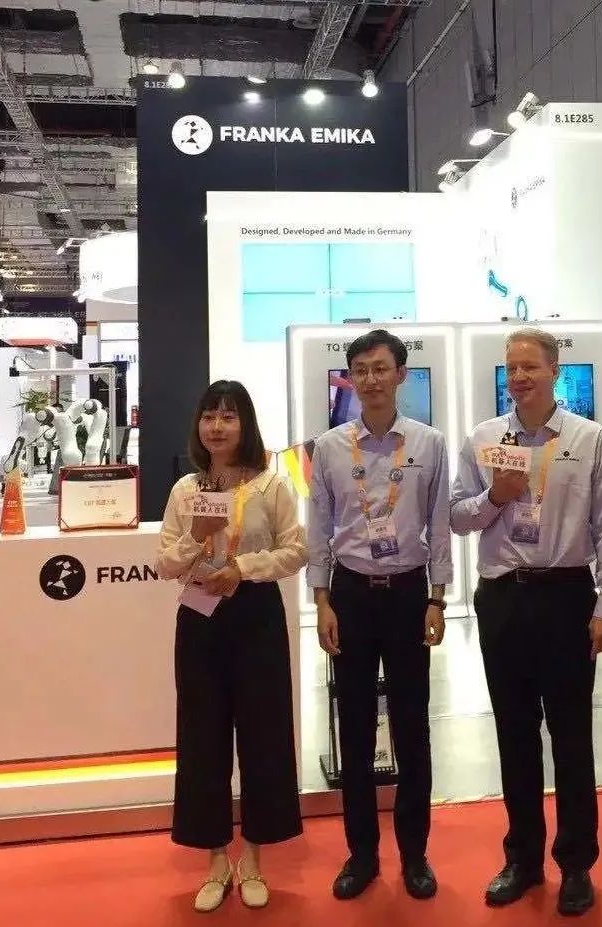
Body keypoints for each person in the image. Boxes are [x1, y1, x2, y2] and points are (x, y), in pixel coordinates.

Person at [450, 328, 602, 917]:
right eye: (512, 368)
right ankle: (523, 859)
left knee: (572, 736)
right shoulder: (484, 439)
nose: (520, 377)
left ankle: (576, 864)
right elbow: (456, 517)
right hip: (503, 598)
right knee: (514, 733)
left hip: (566, 597)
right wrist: (495, 497)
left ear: (555, 370)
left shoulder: (587, 438)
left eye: (530, 366)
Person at [308, 329, 452, 902]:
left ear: (400, 375)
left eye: (380, 368)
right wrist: (321, 600)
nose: (370, 379)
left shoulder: (429, 443)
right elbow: (319, 526)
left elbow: (439, 524)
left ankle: (415, 853)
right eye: (360, 370)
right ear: (350, 378)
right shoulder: (329, 447)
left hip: (408, 594)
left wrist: (438, 597)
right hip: (350, 594)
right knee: (356, 725)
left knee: (413, 726)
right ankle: (362, 854)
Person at [156, 379, 307, 913]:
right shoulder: (185, 490)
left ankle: (255, 858)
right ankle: (216, 859)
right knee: (202, 738)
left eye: (228, 416)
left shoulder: (270, 485)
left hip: (256, 614)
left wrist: (243, 567)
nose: (217, 427)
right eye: (208, 416)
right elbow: (164, 564)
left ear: (246, 425)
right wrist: (197, 534)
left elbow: (296, 550)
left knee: (264, 736)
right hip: (200, 617)